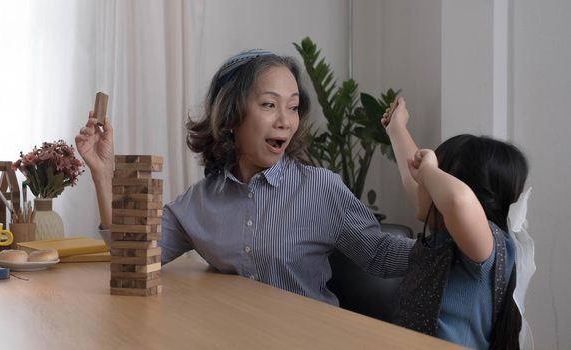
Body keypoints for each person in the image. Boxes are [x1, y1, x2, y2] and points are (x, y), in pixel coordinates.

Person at [75, 49, 414, 306]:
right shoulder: (201, 201)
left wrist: (455, 239)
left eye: (293, 107)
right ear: (232, 115)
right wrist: (104, 174)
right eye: (269, 105)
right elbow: (132, 254)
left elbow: (380, 255)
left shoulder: (321, 189)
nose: (285, 121)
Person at [382, 97, 530, 349]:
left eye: (430, 178)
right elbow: (419, 181)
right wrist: (397, 129)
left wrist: (429, 172)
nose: (421, 184)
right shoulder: (446, 235)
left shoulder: (486, 248)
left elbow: (458, 201)